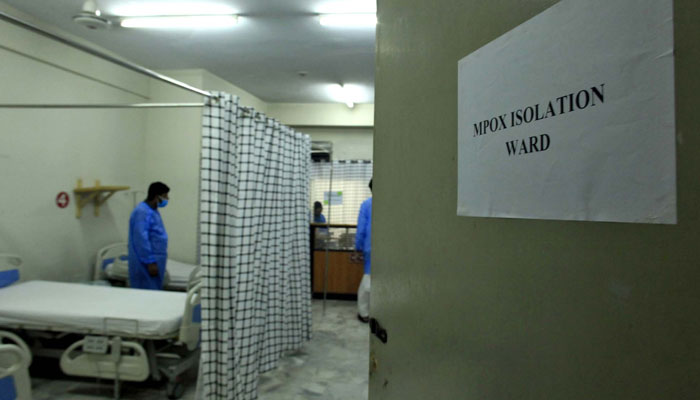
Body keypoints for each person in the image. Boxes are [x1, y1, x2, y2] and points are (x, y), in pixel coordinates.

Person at [128, 182, 169, 290]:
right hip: (145, 263)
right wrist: (150, 262)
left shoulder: (153, 210)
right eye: (165, 196)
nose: (167, 199)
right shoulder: (142, 211)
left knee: (154, 292)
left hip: (157, 259)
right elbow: (141, 239)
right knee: (146, 295)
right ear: (157, 196)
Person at [354, 178, 372, 323]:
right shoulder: (392, 205)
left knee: (368, 279)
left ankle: (364, 312)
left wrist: (358, 247)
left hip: (370, 246)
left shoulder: (366, 205)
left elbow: (361, 229)